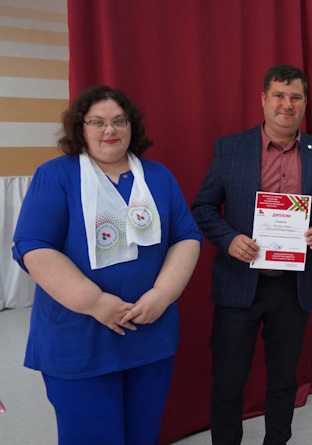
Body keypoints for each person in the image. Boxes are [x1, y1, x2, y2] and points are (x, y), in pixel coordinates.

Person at [11, 85, 202, 444]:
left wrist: (163, 294)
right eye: (97, 122)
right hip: (80, 338)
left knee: (142, 434)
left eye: (119, 121)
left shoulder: (158, 176)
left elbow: (186, 237)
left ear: (132, 126)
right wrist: (95, 302)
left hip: (149, 333)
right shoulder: (56, 175)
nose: (109, 130)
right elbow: (33, 247)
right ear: (80, 128)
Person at [191, 64, 312, 445]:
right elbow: (203, 207)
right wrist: (229, 239)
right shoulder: (230, 148)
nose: (287, 104)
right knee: (228, 379)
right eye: (279, 95)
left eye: (296, 97)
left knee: (284, 379)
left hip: (293, 286)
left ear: (305, 102)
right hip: (239, 282)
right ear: (263, 99)